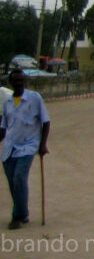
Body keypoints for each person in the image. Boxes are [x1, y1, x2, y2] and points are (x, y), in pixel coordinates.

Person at [0, 69, 50, 230]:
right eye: (15, 81)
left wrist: (43, 145)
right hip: (9, 147)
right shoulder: (7, 103)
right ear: (11, 83)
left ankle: (18, 216)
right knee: (13, 183)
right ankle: (23, 211)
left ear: (25, 81)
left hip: (28, 146)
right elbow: (3, 128)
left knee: (19, 178)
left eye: (21, 80)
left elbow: (46, 122)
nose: (19, 83)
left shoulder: (35, 98)